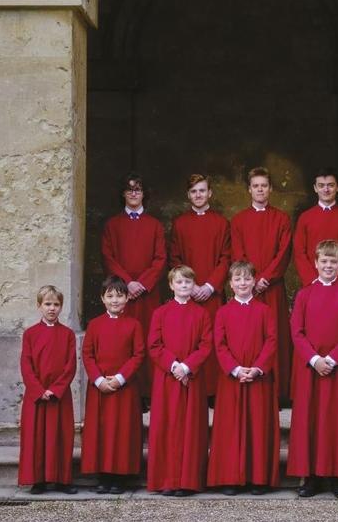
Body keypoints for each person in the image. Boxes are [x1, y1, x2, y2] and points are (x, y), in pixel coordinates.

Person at [288, 240, 338, 500]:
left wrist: (331, 359)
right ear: (316, 263)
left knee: (337, 421)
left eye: (333, 262)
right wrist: (313, 359)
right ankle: (310, 477)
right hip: (310, 369)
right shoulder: (304, 295)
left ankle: (337, 476)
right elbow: (296, 331)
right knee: (310, 420)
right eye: (324, 261)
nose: (328, 266)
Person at [207, 260, 280, 495]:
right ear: (230, 283)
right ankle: (231, 478)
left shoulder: (265, 311)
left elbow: (271, 341)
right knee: (231, 427)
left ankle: (258, 478)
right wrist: (236, 369)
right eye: (238, 279)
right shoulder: (223, 312)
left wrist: (258, 368)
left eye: (247, 278)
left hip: (258, 378)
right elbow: (220, 345)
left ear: (254, 281)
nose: (243, 283)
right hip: (232, 379)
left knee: (258, 426)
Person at [146, 266, 213, 497]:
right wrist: (174, 365)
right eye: (180, 282)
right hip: (167, 378)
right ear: (171, 285)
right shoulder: (160, 313)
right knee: (167, 426)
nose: (184, 286)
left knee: (190, 427)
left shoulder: (202, 314)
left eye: (188, 283)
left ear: (194, 286)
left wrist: (187, 366)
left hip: (191, 379)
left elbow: (206, 345)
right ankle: (167, 480)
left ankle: (188, 481)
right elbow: (154, 345)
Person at [229, 167, 293, 403]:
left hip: (272, 288)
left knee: (273, 335)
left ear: (270, 189)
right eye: (255, 186)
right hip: (248, 289)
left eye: (264, 186)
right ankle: (249, 381)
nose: (260, 190)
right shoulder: (238, 221)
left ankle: (276, 392)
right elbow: (238, 253)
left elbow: (284, 252)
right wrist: (250, 280)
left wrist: (266, 278)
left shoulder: (282, 219)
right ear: (249, 189)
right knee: (249, 336)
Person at [101, 173, 166, 396]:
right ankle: (128, 389)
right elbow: (108, 256)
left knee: (149, 339)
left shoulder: (155, 225)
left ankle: (148, 391)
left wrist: (143, 284)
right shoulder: (113, 225)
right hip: (122, 294)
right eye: (129, 189)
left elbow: (160, 259)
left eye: (138, 189)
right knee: (123, 341)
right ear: (123, 194)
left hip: (148, 295)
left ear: (144, 193)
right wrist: (128, 284)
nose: (134, 193)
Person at [81, 276, 146, 495]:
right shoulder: (94, 325)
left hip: (123, 388)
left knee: (121, 431)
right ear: (102, 299)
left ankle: (120, 476)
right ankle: (103, 476)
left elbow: (138, 354)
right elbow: (87, 354)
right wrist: (98, 379)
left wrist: (120, 378)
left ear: (127, 298)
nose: (115, 300)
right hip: (100, 387)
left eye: (119, 296)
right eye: (110, 296)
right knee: (102, 431)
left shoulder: (134, 325)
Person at [168, 173, 231, 398]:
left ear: (210, 193)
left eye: (202, 190)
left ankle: (213, 391)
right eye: (194, 191)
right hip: (188, 293)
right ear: (188, 195)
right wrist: (191, 286)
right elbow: (174, 258)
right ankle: (190, 384)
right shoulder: (180, 223)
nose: (198, 195)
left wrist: (211, 286)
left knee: (213, 340)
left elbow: (226, 258)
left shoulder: (221, 223)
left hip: (211, 295)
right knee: (189, 340)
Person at [18, 285, 78, 495]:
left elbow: (71, 365)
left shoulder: (68, 334)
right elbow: (26, 364)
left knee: (60, 436)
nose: (52, 308)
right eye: (48, 304)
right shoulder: (30, 334)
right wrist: (38, 389)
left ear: (61, 307)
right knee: (37, 437)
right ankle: (38, 480)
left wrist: (56, 389)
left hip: (58, 396)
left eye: (56, 304)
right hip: (37, 396)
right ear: (39, 306)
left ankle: (62, 479)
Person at [292, 168, 338, 286]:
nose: (326, 189)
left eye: (330, 185)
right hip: (312, 284)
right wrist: (312, 280)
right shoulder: (305, 217)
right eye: (321, 185)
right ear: (315, 188)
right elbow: (299, 252)